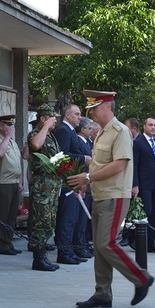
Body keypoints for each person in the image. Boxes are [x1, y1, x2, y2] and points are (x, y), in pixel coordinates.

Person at [68, 90, 154, 308]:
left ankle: (141, 277)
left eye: (94, 108)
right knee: (99, 246)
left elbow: (119, 165)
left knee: (107, 243)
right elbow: (100, 165)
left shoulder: (120, 131)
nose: (91, 113)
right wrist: (89, 183)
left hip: (115, 195)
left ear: (107, 106)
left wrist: (87, 177)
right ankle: (102, 293)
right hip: (101, 194)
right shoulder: (103, 133)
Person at [54, 104, 92, 264]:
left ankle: (69, 250)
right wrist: (83, 158)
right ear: (67, 115)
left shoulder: (70, 131)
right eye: (77, 114)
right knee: (67, 219)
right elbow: (61, 156)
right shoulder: (63, 130)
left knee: (73, 218)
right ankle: (64, 253)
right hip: (68, 182)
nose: (80, 117)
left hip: (75, 181)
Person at [27, 103, 61, 271]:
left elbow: (58, 159)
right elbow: (34, 146)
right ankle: (38, 258)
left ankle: (43, 253)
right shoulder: (36, 133)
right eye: (52, 119)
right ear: (43, 119)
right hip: (42, 184)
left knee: (49, 220)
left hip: (53, 184)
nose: (55, 122)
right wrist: (45, 127)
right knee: (41, 220)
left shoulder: (51, 137)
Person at [0, 114, 23, 256]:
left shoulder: (13, 143)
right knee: (2, 216)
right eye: (8, 125)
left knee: (11, 216)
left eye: (12, 125)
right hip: (2, 183)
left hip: (14, 182)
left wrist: (20, 180)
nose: (11, 128)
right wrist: (7, 137)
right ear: (0, 126)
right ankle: (0, 245)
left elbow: (17, 162)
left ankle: (7, 242)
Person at [132, 117, 155, 253]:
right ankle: (139, 243)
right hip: (144, 184)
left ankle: (151, 244)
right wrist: (135, 184)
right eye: (150, 125)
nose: (153, 127)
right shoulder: (138, 143)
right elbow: (134, 164)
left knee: (154, 215)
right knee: (147, 212)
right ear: (144, 126)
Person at [74, 117, 94, 250]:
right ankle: (79, 245)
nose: (91, 131)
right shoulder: (78, 142)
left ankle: (83, 243)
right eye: (89, 128)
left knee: (84, 217)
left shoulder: (87, 142)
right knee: (80, 218)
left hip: (88, 183)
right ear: (82, 129)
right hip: (82, 184)